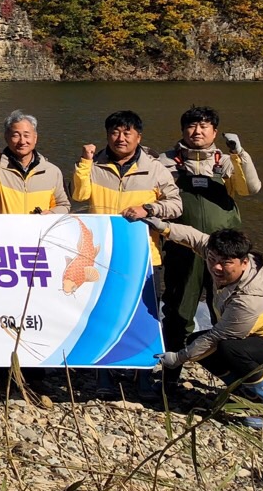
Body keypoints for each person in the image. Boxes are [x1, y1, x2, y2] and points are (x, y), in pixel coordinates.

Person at [140, 220, 263, 428]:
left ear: (244, 262)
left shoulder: (249, 301)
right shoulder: (224, 257)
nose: (216, 267)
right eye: (212, 259)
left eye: (225, 263)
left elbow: (215, 337)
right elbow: (194, 237)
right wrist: (161, 226)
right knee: (195, 341)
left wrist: (178, 358)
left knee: (227, 347)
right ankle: (246, 393)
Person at [72, 110, 181, 397]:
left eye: (127, 132)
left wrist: (150, 210)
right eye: (115, 132)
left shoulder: (155, 168)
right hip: (103, 256)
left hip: (145, 256)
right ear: (108, 135)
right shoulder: (94, 165)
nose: (121, 138)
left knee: (146, 315)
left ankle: (143, 373)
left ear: (139, 137)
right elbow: (79, 196)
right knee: (101, 312)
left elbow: (176, 205)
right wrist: (84, 162)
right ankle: (103, 373)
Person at [159, 106, 262, 380]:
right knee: (178, 312)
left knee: (227, 313)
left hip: (225, 254)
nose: (197, 131)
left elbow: (250, 188)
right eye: (192, 126)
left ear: (214, 132)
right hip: (182, 249)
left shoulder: (225, 161)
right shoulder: (166, 161)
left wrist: (239, 153)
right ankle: (171, 373)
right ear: (183, 130)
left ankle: (233, 379)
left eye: (204, 126)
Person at [0, 111, 69, 215]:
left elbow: (64, 205)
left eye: (27, 135)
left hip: (39, 230)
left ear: (35, 138)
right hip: (6, 230)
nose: (22, 141)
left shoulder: (52, 171)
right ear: (6, 138)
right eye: (16, 135)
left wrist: (52, 213)